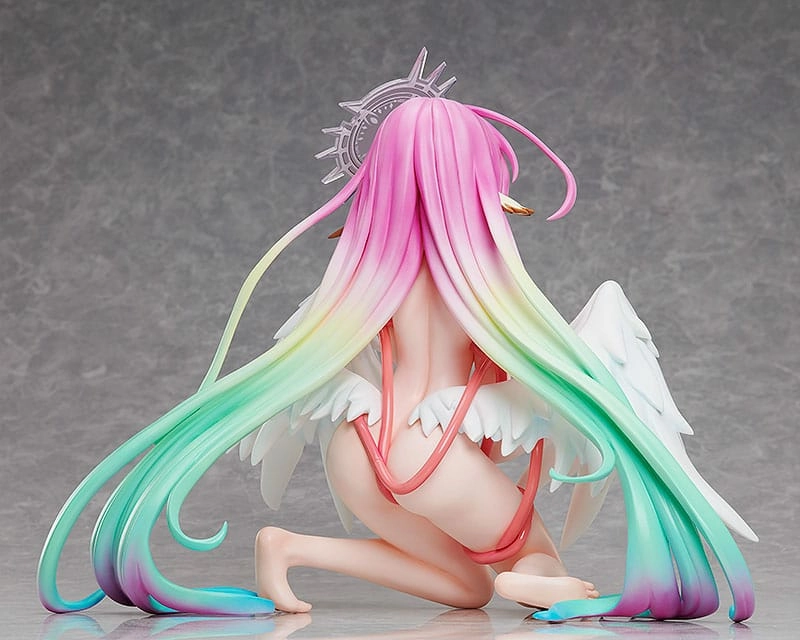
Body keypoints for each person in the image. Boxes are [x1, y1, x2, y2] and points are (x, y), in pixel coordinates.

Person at [39, 95, 755, 622]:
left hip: (357, 448)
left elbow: (314, 360)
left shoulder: (361, 278)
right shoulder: (480, 279)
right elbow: (528, 371)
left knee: (464, 589)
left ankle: (288, 547)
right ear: (469, 174)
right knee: (533, 559)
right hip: (429, 453)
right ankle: (533, 584)